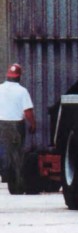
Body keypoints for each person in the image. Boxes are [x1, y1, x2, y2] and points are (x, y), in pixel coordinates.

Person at [0, 64, 36, 195]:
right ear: (19, 77)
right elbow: (28, 111)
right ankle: (17, 187)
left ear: (7, 76)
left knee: (4, 153)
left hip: (1, 123)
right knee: (16, 156)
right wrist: (33, 124)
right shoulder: (22, 91)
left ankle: (5, 175)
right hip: (15, 126)